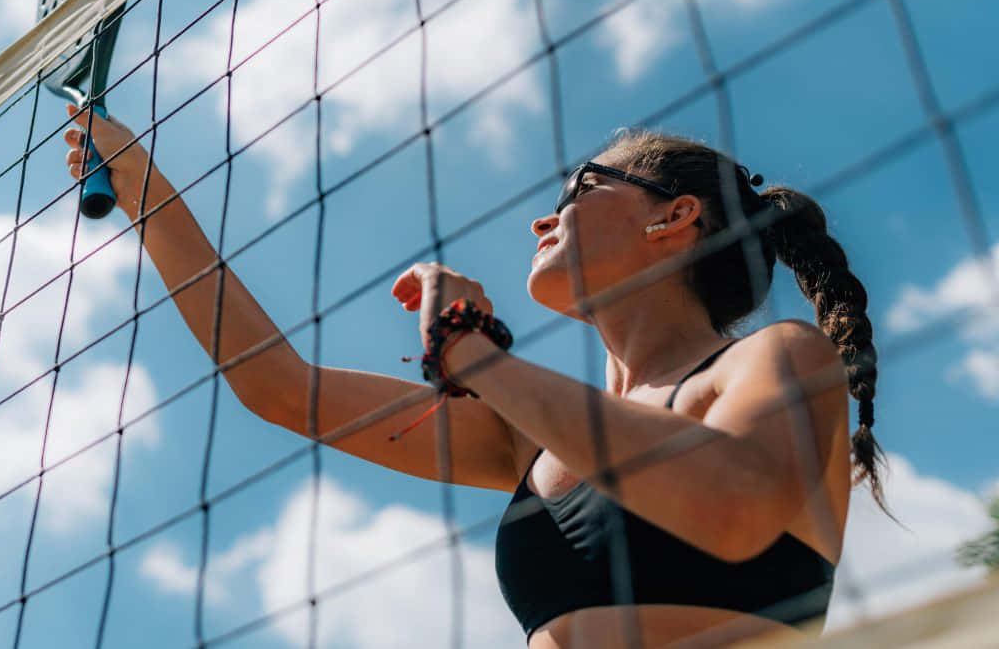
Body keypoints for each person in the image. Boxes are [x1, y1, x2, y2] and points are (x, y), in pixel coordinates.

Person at [64, 104, 883, 648]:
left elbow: (734, 509)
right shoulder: (533, 438)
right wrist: (144, 188)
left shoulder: (779, 357)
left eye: (581, 188)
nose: (543, 215)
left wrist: (474, 359)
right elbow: (279, 388)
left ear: (675, 218)